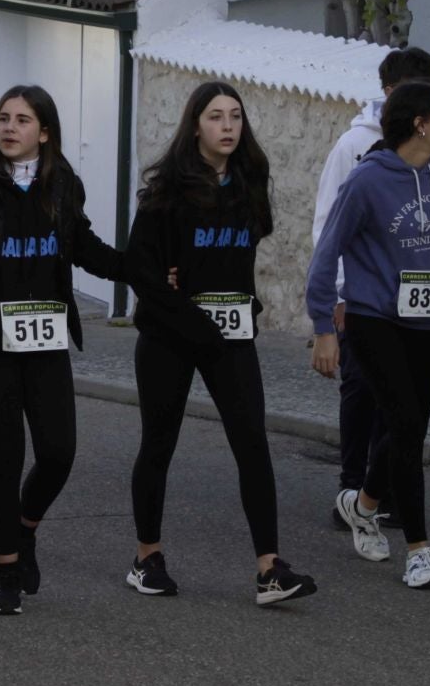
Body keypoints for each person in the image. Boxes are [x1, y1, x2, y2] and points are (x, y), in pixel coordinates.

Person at [123, 81, 315, 606]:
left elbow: (249, 249)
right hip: (169, 335)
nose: (227, 126)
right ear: (195, 125)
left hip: (230, 337)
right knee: (159, 444)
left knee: (252, 441)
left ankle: (270, 569)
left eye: (235, 116)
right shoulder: (166, 191)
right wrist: (181, 301)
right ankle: (147, 558)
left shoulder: (250, 182)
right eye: (215, 117)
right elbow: (143, 270)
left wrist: (242, 307)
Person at [308, 82, 430, 591]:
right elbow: (326, 255)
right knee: (406, 427)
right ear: (419, 124)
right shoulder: (367, 179)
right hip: (373, 320)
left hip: (426, 325)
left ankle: (362, 505)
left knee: (406, 429)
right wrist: (324, 327)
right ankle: (420, 550)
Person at [0, 86, 125, 614]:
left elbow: (84, 247)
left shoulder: (62, 184)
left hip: (45, 339)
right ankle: (7, 571)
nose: (9, 128)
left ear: (44, 132)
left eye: (22, 120)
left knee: (57, 452)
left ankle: (24, 528)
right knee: (5, 457)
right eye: (3, 118)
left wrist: (141, 269)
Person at [311, 46, 430, 531]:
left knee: (406, 403)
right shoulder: (355, 147)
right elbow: (329, 227)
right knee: (363, 393)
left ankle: (384, 489)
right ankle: (352, 486)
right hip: (365, 300)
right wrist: (338, 300)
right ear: (391, 95)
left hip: (418, 301)